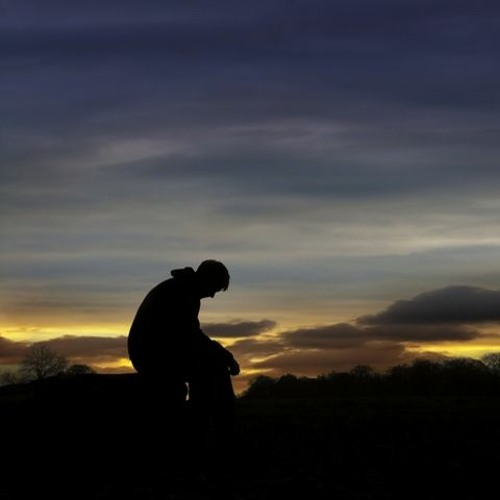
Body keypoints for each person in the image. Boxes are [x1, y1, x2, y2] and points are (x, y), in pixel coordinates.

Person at [127, 259, 240, 461]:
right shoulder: (183, 292)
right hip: (152, 355)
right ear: (206, 279)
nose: (212, 295)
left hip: (156, 351)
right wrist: (224, 355)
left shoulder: (182, 288)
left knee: (211, 365)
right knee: (212, 369)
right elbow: (189, 335)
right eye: (214, 288)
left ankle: (207, 434)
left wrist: (220, 354)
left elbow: (190, 335)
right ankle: (214, 436)